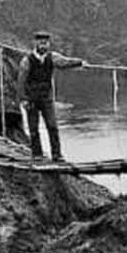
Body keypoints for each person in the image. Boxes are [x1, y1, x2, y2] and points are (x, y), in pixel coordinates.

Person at [15, 31, 87, 160]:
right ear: (35, 43)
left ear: (48, 44)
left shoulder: (52, 57)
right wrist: (23, 99)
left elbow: (65, 62)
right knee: (33, 128)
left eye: (46, 43)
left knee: (52, 126)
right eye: (41, 43)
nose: (43, 45)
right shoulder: (27, 60)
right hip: (31, 99)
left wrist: (80, 63)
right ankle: (37, 154)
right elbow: (21, 81)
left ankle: (57, 155)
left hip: (46, 98)